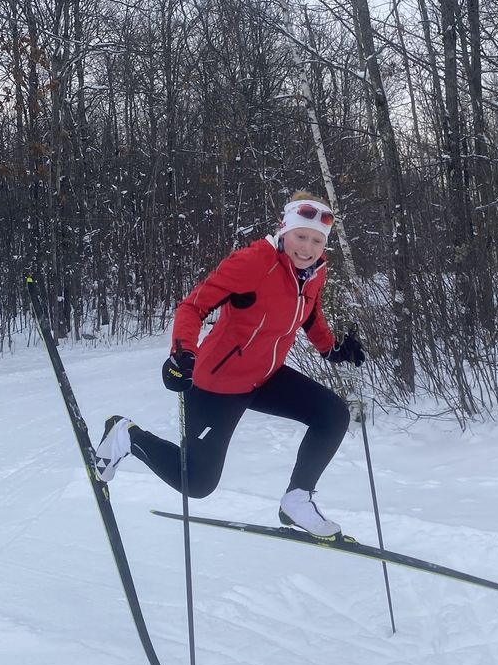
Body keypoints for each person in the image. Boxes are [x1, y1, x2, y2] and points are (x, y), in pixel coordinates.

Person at [93, 192, 365, 537]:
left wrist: (332, 349)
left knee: (332, 415)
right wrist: (182, 353)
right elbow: (192, 306)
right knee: (197, 482)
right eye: (301, 236)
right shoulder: (253, 262)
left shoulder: (315, 272)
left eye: (316, 240)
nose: (307, 248)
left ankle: (297, 500)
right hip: (216, 382)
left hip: (265, 376)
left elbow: (309, 313)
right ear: (284, 230)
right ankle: (126, 437)